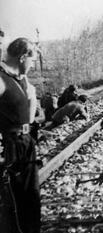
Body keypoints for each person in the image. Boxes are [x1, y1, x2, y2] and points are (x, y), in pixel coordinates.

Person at [0, 38, 40, 233]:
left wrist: (31, 96)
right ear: (22, 57)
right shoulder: (1, 79)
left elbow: (30, 119)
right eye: (31, 61)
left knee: (31, 199)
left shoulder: (20, 80)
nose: (31, 66)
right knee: (13, 203)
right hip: (10, 145)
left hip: (26, 142)